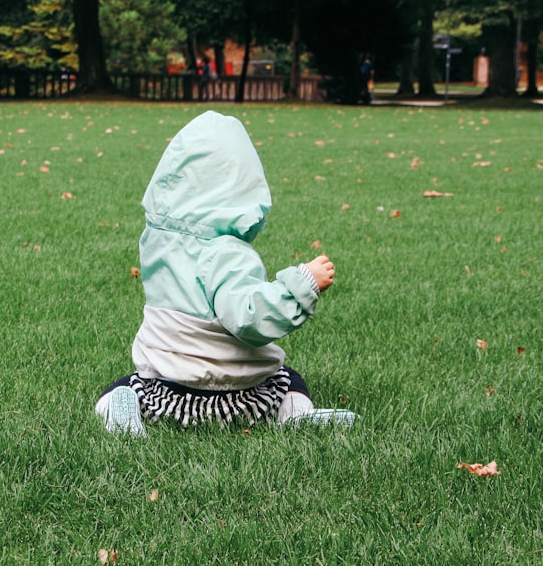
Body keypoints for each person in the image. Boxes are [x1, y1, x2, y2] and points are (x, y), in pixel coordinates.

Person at [96, 111, 357, 435]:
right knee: (290, 379)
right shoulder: (228, 255)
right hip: (243, 402)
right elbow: (250, 317)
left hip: (168, 397)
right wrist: (302, 284)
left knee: (126, 385)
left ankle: (119, 413)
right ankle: (295, 415)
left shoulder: (155, 243)